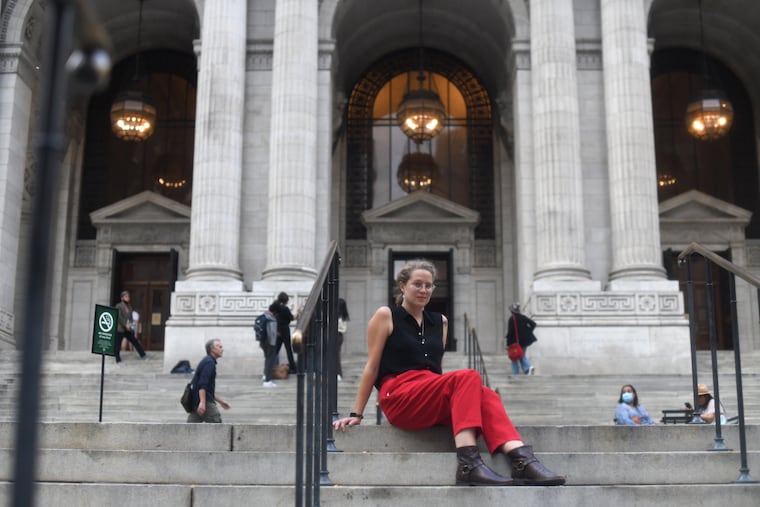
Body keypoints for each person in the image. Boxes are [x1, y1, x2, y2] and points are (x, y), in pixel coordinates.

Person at [333, 259, 565, 487]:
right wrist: (357, 413)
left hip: (428, 392)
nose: (424, 290)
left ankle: (521, 460)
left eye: (429, 285)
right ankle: (468, 463)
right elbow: (372, 367)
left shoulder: (440, 322)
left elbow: (437, 370)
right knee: (468, 377)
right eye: (417, 284)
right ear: (403, 286)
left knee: (487, 395)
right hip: (398, 394)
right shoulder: (385, 315)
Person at [188, 339, 231, 423]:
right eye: (220, 347)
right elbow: (202, 385)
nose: (222, 349)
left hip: (199, 401)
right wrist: (203, 402)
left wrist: (221, 402)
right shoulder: (209, 363)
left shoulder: (208, 361)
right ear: (212, 349)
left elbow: (207, 389)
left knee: (190, 427)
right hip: (205, 402)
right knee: (217, 424)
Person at [114, 290, 147, 363]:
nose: (128, 298)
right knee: (118, 344)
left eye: (128, 296)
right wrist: (125, 324)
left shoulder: (129, 306)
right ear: (122, 298)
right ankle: (117, 359)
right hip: (120, 328)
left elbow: (131, 318)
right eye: (126, 296)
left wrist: (131, 324)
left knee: (134, 341)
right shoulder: (119, 306)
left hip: (128, 329)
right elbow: (119, 317)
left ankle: (143, 354)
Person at [505, 302, 536, 375]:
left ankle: (526, 368)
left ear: (512, 311)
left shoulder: (512, 319)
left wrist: (508, 344)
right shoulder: (523, 317)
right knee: (521, 355)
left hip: (515, 342)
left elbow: (510, 332)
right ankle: (526, 370)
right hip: (525, 341)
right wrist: (528, 331)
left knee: (514, 357)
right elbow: (533, 324)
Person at [273, 292, 297, 372]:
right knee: (288, 349)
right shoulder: (285, 309)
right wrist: (298, 312)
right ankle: (293, 367)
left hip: (278, 330)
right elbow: (292, 318)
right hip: (285, 330)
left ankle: (271, 366)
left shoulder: (276, 308)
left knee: (276, 349)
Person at [261, 304, 280, 387]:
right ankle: (267, 381)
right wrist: (273, 342)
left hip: (262, 341)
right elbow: (272, 332)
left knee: (267, 359)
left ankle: (265, 375)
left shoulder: (264, 315)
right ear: (275, 312)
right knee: (270, 360)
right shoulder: (271, 318)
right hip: (270, 342)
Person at [336, 298, 350, 381]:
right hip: (339, 336)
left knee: (336, 356)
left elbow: (342, 328)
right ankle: (337, 373)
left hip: (337, 335)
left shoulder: (340, 317)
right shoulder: (342, 316)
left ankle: (338, 373)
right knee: (336, 355)